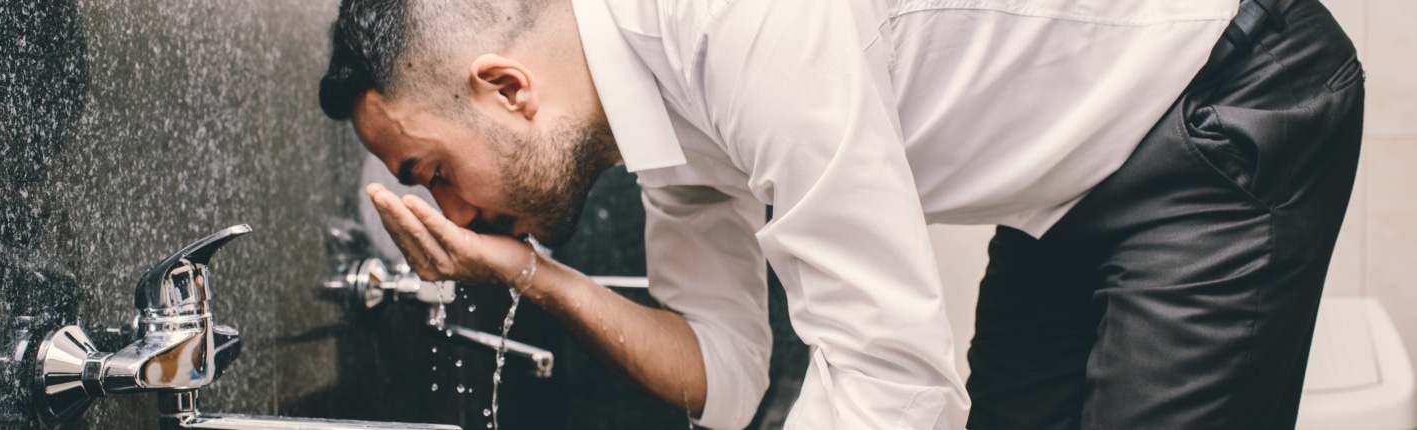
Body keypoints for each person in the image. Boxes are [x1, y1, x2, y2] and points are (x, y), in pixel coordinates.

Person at [317, 0, 1363, 427]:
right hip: (1073, 186)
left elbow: (894, 381)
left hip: (1221, 97)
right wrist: (530, 275)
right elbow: (725, 376)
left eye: (431, 168)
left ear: (507, 89)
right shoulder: (658, 116)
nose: (447, 210)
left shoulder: (730, 24)